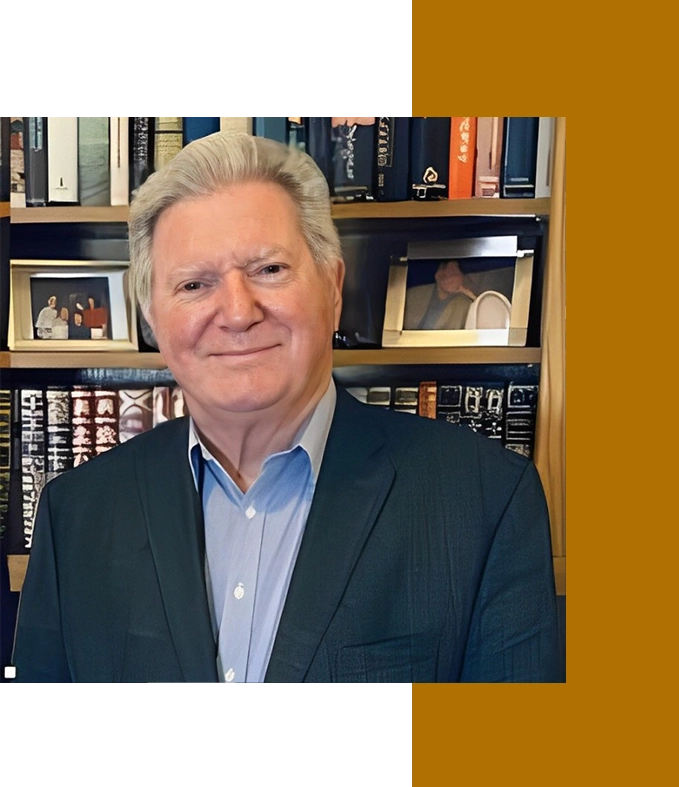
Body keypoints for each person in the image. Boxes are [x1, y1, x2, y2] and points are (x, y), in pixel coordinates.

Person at [11, 132, 560, 685]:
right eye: (195, 284)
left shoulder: (484, 501)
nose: (237, 312)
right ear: (152, 320)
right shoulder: (75, 515)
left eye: (269, 270)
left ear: (333, 286)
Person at [404, 260, 476, 330]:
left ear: (461, 277)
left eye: (454, 272)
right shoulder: (414, 294)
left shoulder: (465, 305)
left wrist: (467, 292)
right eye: (445, 271)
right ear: (438, 275)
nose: (448, 275)